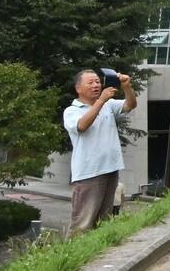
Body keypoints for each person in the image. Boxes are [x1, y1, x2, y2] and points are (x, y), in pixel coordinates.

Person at [63, 69, 136, 234]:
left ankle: (97, 254)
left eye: (97, 81)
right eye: (90, 82)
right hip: (89, 173)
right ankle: (74, 256)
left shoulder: (108, 105)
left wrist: (126, 86)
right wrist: (101, 100)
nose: (96, 85)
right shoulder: (71, 111)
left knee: (103, 221)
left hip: (111, 168)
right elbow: (81, 126)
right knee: (83, 223)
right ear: (78, 88)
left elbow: (130, 105)